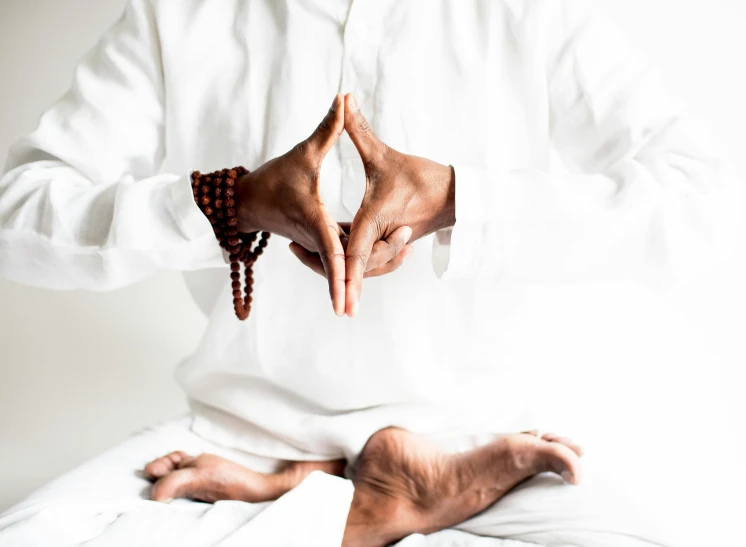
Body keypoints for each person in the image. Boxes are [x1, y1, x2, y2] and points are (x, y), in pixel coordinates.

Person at [0, 0, 722, 545]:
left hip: (485, 448)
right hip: (240, 444)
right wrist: (235, 201)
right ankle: (334, 494)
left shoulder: (527, 11)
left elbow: (700, 201)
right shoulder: (183, 13)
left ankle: (339, 501)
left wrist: (459, 198)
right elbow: (17, 216)